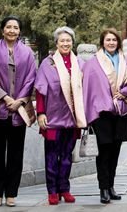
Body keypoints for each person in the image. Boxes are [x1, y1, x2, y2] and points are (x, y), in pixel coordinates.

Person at [0, 16, 37, 208]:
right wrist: (5, 98)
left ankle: (11, 193)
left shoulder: (27, 53)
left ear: (20, 31)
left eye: (16, 28)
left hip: (18, 110)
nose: (12, 30)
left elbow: (31, 79)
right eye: (8, 27)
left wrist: (20, 100)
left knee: (15, 153)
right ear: (2, 30)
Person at [82, 28, 127, 204]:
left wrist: (124, 92)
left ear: (118, 42)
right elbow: (88, 88)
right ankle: (103, 188)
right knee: (104, 152)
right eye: (108, 40)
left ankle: (111, 185)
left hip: (120, 110)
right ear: (102, 42)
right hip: (102, 113)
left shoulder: (126, 60)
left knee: (115, 151)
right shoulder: (93, 63)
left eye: (114, 40)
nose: (111, 43)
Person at [35, 26, 86, 205]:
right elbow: (40, 90)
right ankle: (52, 190)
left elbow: (86, 89)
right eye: (62, 40)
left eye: (68, 40)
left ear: (73, 42)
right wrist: (40, 113)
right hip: (52, 116)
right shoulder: (47, 64)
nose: (65, 43)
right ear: (56, 43)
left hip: (72, 117)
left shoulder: (80, 63)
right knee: (52, 155)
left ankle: (64, 188)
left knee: (66, 155)